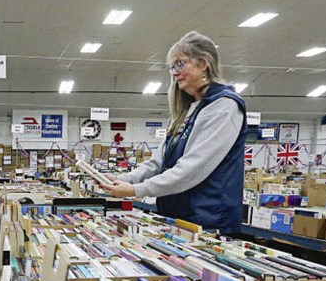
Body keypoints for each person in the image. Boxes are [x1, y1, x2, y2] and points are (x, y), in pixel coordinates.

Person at [101, 31, 246, 233]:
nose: (174, 73)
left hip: (208, 222)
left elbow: (193, 168)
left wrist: (136, 190)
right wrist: (124, 179)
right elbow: (157, 162)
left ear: (203, 63)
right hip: (178, 217)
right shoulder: (187, 110)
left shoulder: (224, 106)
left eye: (179, 64)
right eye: (171, 67)